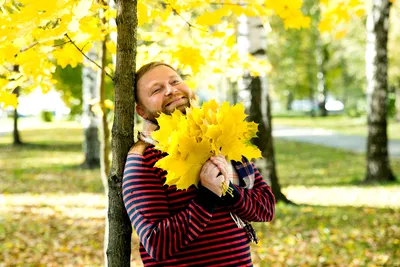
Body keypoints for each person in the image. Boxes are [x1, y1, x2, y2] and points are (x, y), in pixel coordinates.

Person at [122, 62, 276, 267]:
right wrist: (207, 197)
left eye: (175, 81)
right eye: (156, 89)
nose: (171, 90)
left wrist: (228, 190)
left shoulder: (219, 138)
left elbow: (266, 208)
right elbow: (156, 243)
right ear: (141, 111)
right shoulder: (145, 159)